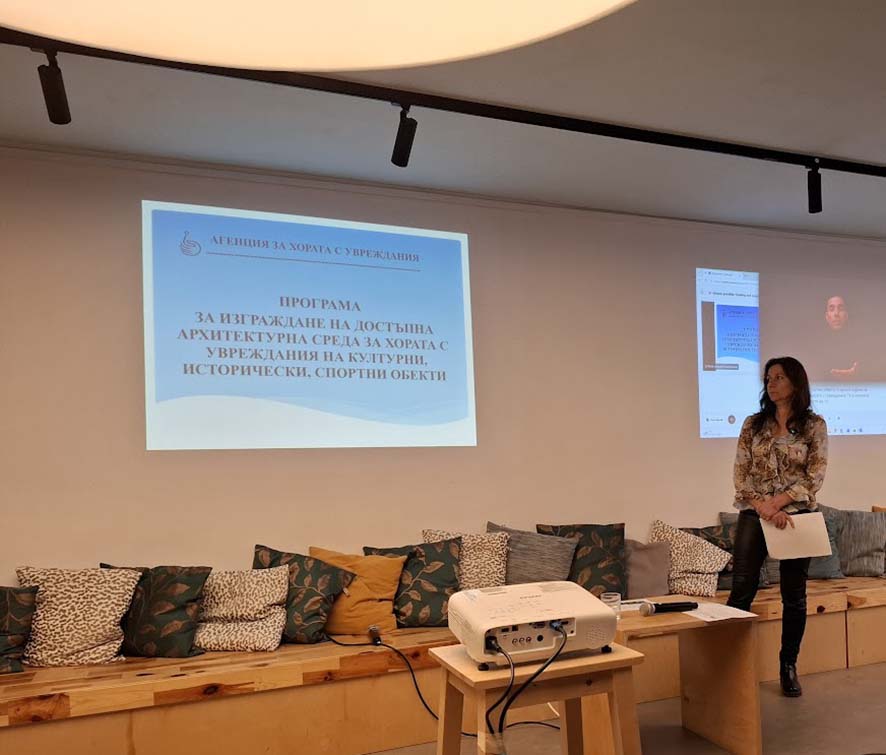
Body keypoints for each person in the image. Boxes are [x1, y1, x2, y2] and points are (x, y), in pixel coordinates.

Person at [727, 356, 828, 697]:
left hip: (797, 516)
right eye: (768, 378)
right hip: (755, 513)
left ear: (796, 383)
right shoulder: (753, 424)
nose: (771, 383)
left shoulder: (814, 425)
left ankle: (788, 665)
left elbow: (814, 476)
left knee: (794, 597)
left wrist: (780, 503)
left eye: (779, 377)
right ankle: (729, 667)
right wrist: (764, 508)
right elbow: (740, 475)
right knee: (742, 589)